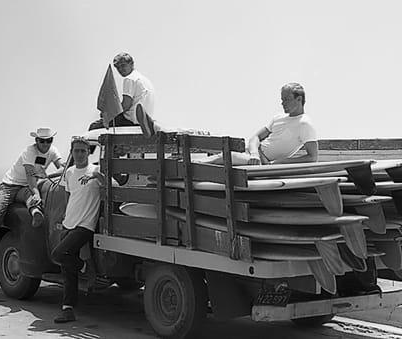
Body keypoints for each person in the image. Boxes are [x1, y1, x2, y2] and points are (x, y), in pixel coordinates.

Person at [137, 82, 319, 165]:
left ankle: (182, 163)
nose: (282, 103)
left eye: (286, 99)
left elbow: (312, 157)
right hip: (253, 153)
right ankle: (158, 127)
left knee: (222, 157)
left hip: (261, 162)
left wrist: (277, 163)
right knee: (205, 136)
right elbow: (256, 136)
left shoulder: (305, 124)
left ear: (299, 99)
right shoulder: (279, 117)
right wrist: (255, 151)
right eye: (281, 99)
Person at [0, 128, 65, 278]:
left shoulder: (53, 151)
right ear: (36, 141)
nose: (46, 144)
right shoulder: (29, 152)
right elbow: (30, 175)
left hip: (26, 188)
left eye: (49, 140)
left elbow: (61, 165)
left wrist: (68, 169)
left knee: (34, 200)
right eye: (42, 141)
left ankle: (36, 213)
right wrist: (36, 191)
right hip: (10, 185)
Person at [52, 137, 104, 323]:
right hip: (69, 223)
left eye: (83, 151)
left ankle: (84, 267)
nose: (80, 154)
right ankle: (68, 309)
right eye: (76, 151)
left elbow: (114, 188)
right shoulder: (70, 173)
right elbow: (69, 197)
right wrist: (64, 218)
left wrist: (101, 178)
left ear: (89, 152)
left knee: (58, 255)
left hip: (85, 225)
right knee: (67, 269)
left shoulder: (96, 170)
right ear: (72, 153)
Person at [89, 52, 156, 130]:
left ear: (131, 64)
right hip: (144, 120)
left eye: (123, 65)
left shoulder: (130, 79)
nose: (120, 69)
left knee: (94, 126)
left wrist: (109, 114)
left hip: (130, 120)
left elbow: (126, 105)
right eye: (118, 67)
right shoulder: (144, 80)